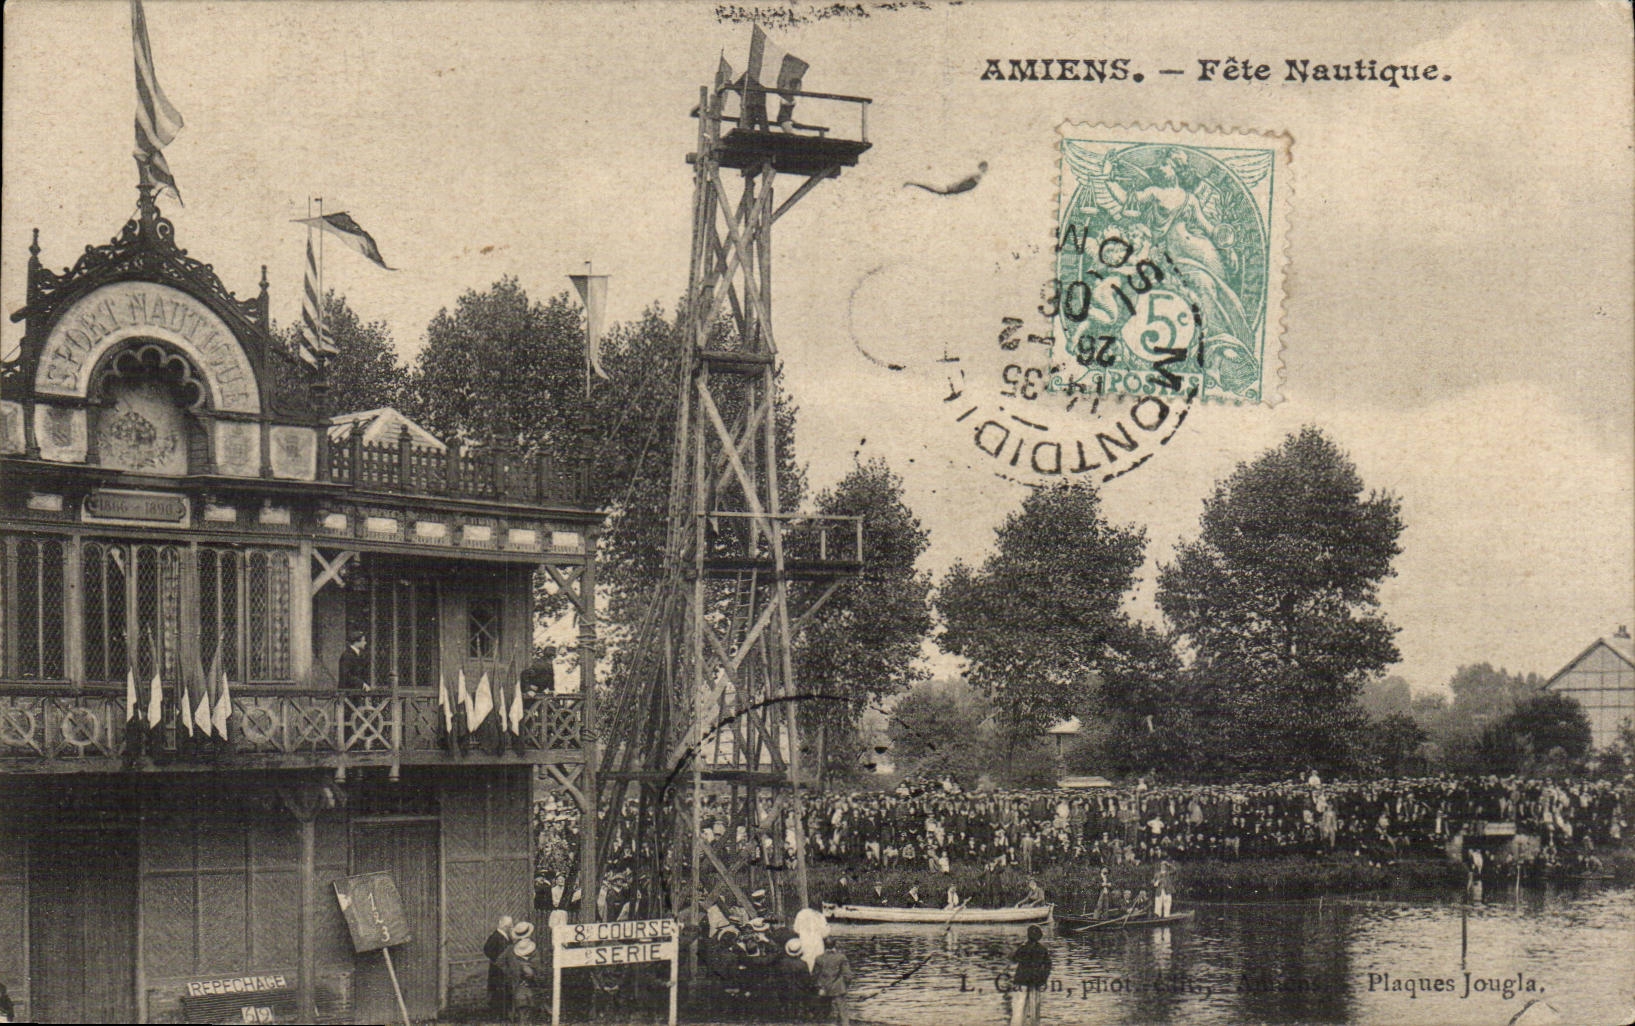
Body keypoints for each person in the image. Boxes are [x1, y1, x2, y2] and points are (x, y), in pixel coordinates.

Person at [1008, 924, 1051, 1026]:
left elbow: (1013, 959)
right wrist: (1043, 979)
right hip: (1036, 981)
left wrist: (1021, 946)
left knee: (1019, 1008)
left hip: (1021, 981)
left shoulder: (1023, 948)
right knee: (1034, 1009)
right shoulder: (1042, 949)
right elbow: (1048, 966)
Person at [812, 940, 854, 1026]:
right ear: (835, 945)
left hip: (824, 987)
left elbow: (815, 975)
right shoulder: (841, 957)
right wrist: (846, 985)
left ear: (824, 946)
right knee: (843, 1012)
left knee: (824, 1012)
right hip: (838, 987)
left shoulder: (819, 958)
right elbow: (848, 975)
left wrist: (819, 987)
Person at [500, 934, 538, 1024]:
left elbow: (538, 971)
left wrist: (533, 974)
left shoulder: (533, 954)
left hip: (528, 985)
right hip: (518, 985)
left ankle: (525, 1020)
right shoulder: (511, 950)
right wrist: (510, 973)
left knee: (527, 1001)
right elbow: (500, 962)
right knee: (522, 1001)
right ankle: (522, 1020)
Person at [485, 915, 516, 1017]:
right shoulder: (495, 936)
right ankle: (498, 1013)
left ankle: (504, 1012)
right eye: (510, 926)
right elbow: (487, 950)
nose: (511, 927)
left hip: (503, 968)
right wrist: (497, 960)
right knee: (498, 990)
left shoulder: (506, 936)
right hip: (497, 969)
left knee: (504, 990)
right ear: (505, 926)